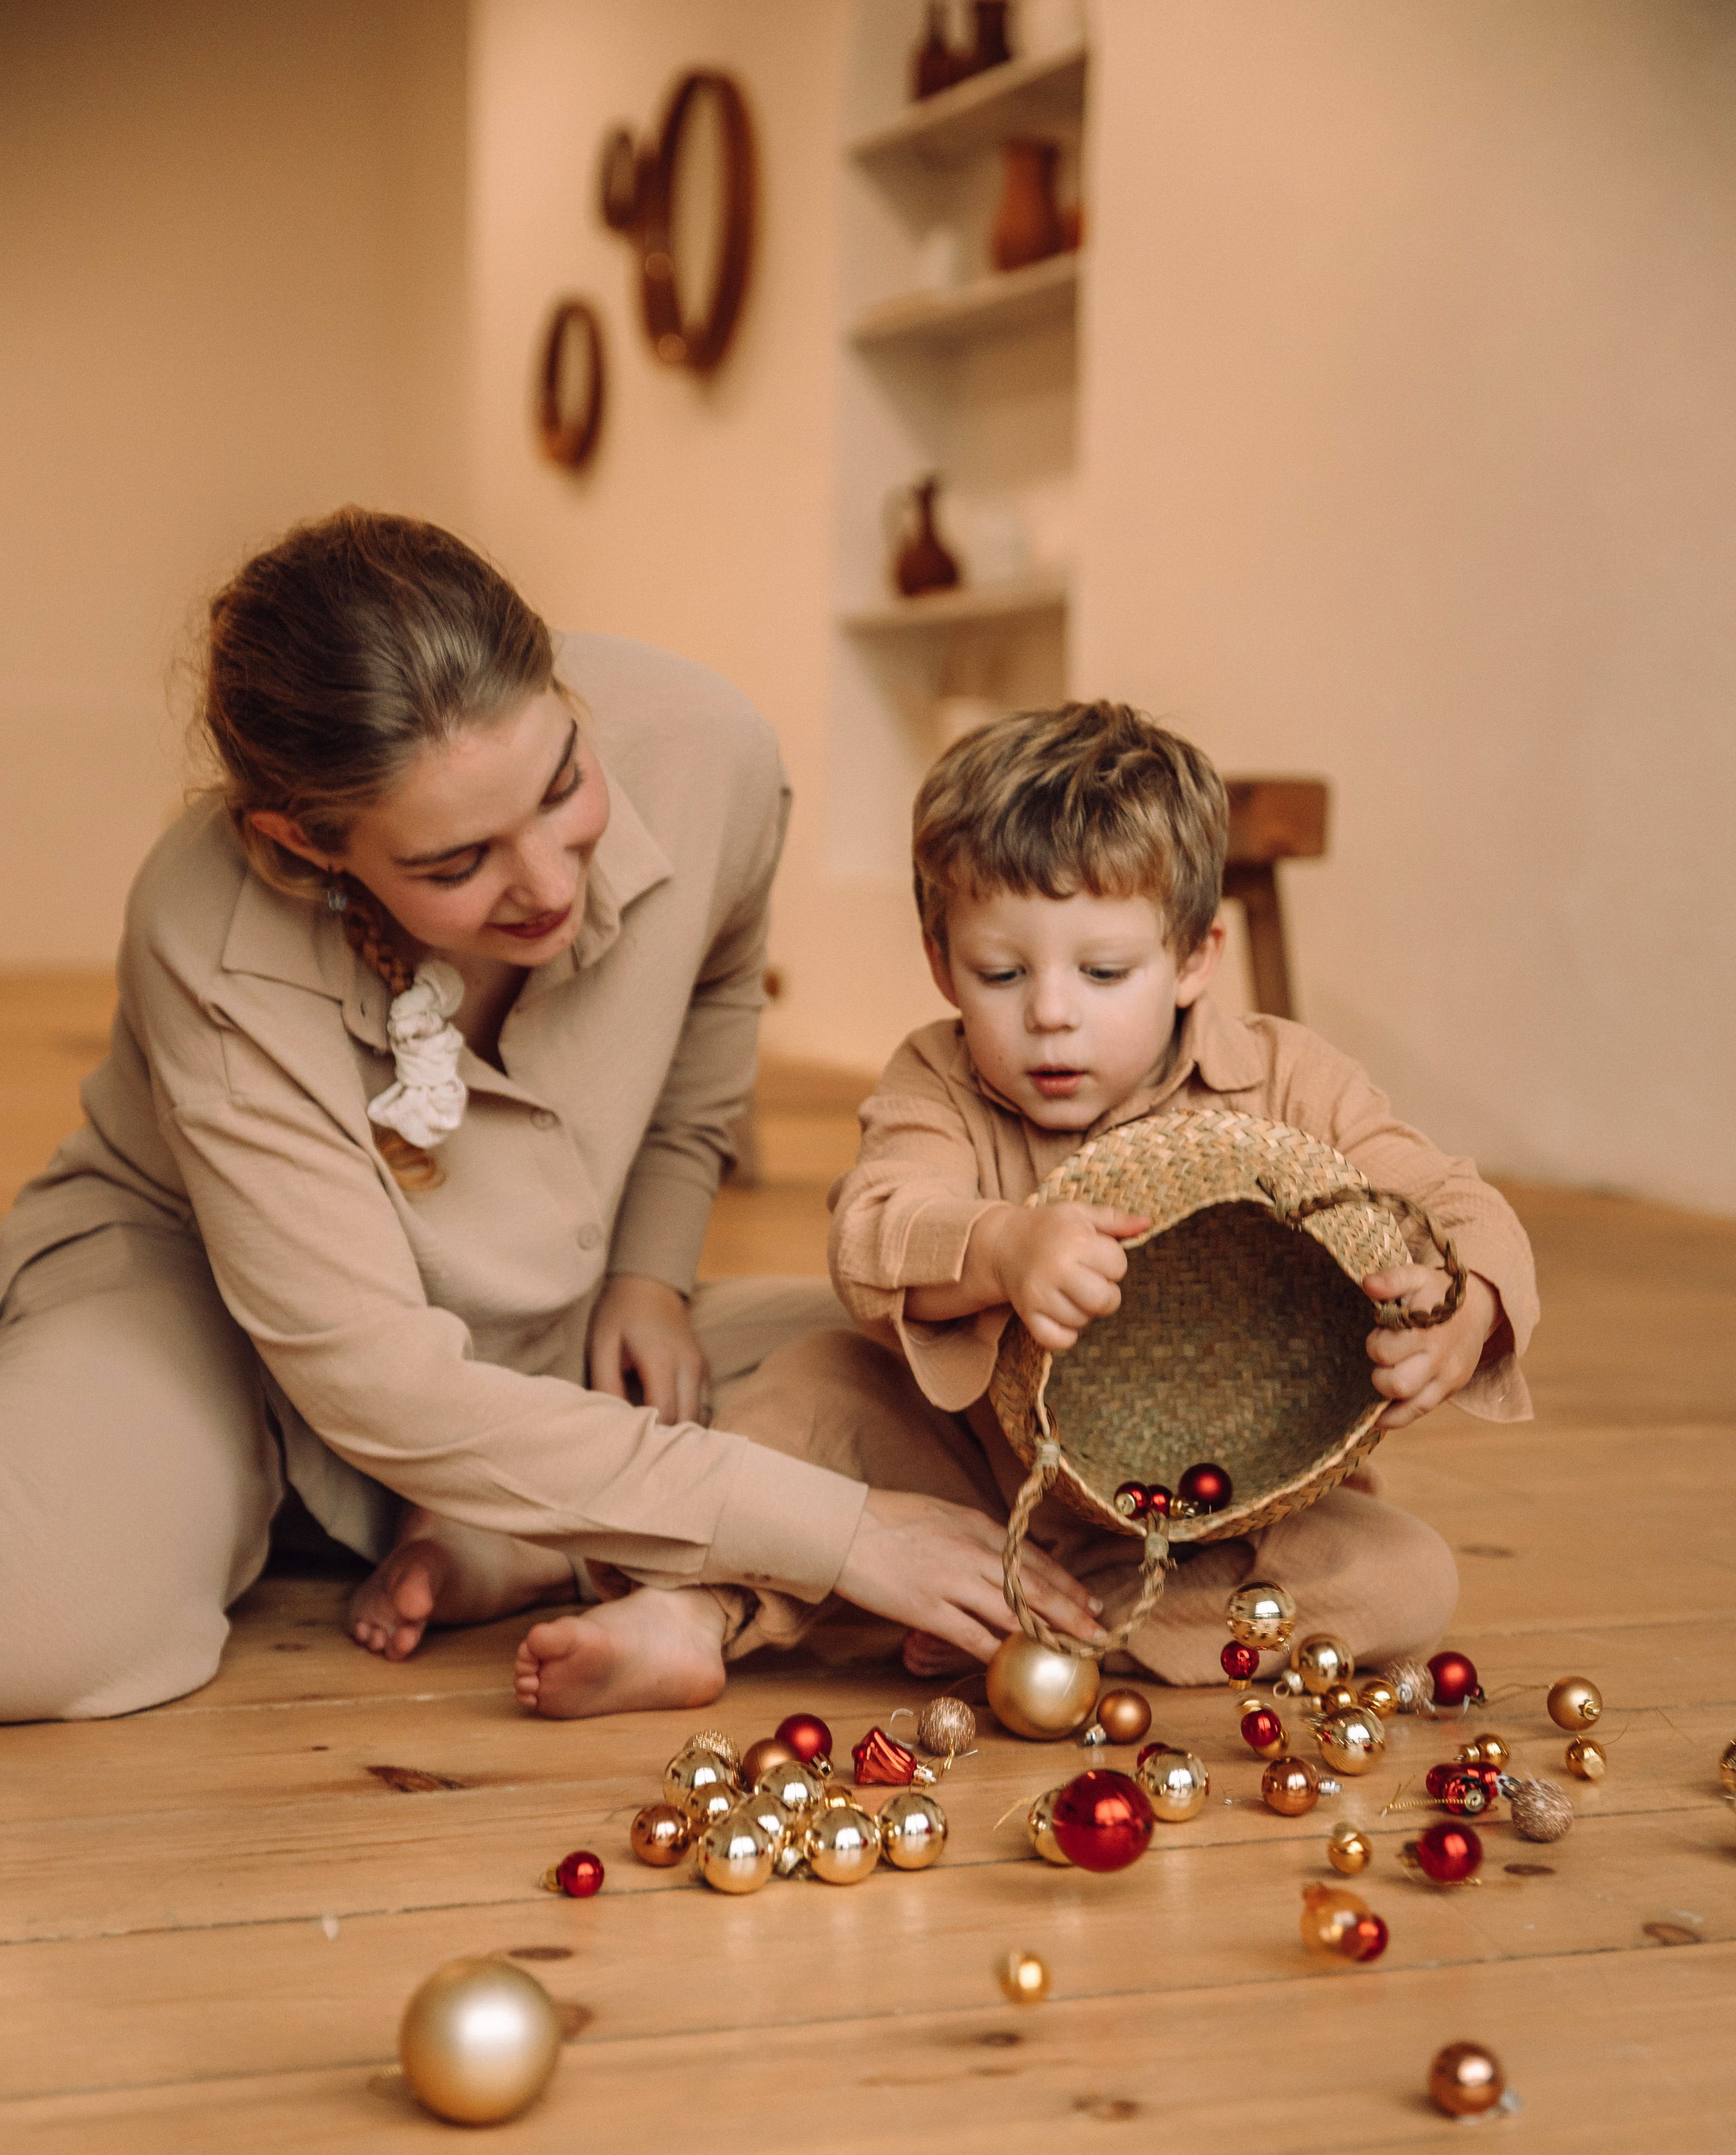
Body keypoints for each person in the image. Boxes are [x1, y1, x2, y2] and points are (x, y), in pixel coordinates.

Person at [0, 511, 1098, 1723]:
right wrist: (840, 1533)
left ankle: (517, 1532)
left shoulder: (708, 752)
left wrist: (648, 1273)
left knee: (1003, 1382)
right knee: (41, 1620)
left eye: (565, 785)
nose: (551, 883)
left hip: (538, 1328)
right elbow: (383, 1385)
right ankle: (243, 1481)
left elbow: (718, 995)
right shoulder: (205, 931)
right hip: (205, 1304)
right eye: (458, 862)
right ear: (301, 844)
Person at [517, 700, 1537, 1712]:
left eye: (1104, 972)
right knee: (809, 1391)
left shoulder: (1286, 1076)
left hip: (1204, 1515)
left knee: (1405, 1576)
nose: (1051, 1012)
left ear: (1193, 959)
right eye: (1000, 972)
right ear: (940, 964)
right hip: (976, 1470)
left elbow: (1446, 1194)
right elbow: (875, 1226)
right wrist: (999, 1247)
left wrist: (1472, 1303)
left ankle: (1056, 1612)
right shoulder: (940, 1079)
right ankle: (693, 1614)